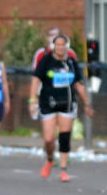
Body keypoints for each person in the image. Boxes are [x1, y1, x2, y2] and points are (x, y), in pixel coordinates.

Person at [29, 33, 93, 182]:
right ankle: (50, 159)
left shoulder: (71, 62)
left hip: (67, 103)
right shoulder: (46, 60)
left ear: (66, 46)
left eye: (63, 45)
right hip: (48, 103)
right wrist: (32, 100)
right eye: (57, 45)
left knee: (65, 137)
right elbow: (36, 80)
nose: (60, 47)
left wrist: (87, 104)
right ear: (53, 46)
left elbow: (78, 84)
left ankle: (63, 170)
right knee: (49, 138)